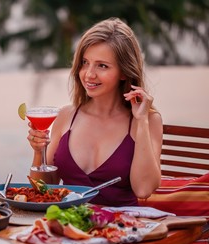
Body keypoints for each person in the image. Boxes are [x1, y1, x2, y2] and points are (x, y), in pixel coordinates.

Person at [27, 18, 163, 206]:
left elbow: (144, 189)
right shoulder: (66, 116)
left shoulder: (148, 120)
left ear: (124, 72)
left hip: (121, 228)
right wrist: (38, 151)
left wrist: (141, 121)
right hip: (68, 227)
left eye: (102, 65)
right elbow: (43, 189)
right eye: (85, 62)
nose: (89, 74)